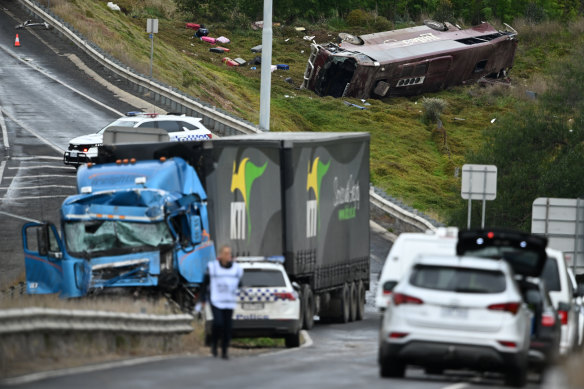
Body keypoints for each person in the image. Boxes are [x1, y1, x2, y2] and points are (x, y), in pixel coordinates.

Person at [198, 245, 243, 359]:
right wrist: (203, 299)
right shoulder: (212, 267)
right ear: (220, 255)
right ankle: (214, 343)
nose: (228, 256)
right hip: (216, 300)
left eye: (229, 253)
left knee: (227, 327)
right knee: (218, 323)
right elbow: (205, 284)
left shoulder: (236, 269)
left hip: (229, 301)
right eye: (226, 253)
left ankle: (224, 350)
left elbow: (240, 283)